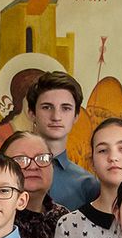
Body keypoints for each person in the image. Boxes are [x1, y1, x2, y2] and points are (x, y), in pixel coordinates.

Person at [28, 71, 101, 209]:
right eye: (47, 107)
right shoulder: (11, 172)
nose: (56, 117)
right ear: (32, 114)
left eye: (66, 108)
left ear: (76, 116)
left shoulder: (88, 185)